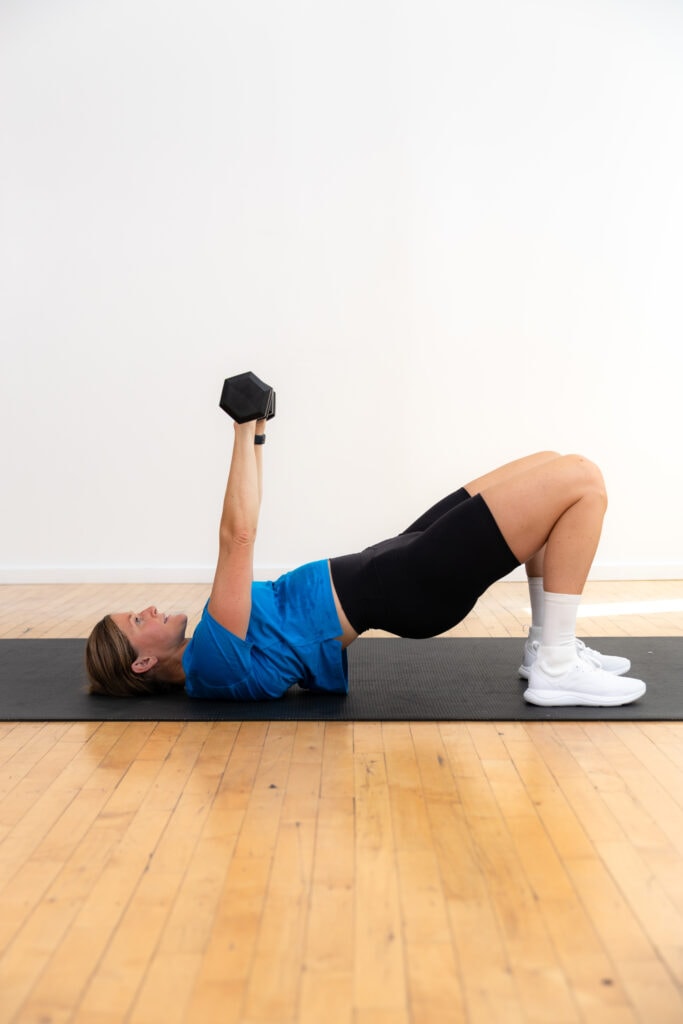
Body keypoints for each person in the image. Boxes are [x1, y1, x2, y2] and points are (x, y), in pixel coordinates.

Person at [85, 414, 646, 707]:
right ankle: (555, 667)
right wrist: (237, 430)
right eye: (138, 622)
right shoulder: (211, 659)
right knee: (582, 484)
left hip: (394, 561)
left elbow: (240, 530)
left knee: (554, 464)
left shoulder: (212, 652)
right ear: (142, 664)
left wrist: (256, 434)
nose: (149, 609)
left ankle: (547, 647)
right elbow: (239, 536)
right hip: (409, 582)